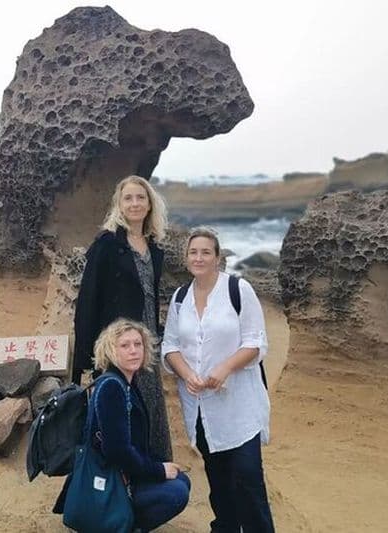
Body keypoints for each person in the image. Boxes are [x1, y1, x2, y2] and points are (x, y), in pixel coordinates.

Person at [162, 227, 275, 533]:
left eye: (205, 252)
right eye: (193, 252)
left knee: (248, 476)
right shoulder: (180, 297)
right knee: (219, 479)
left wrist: (225, 368)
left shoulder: (238, 290)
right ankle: (225, 527)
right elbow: (170, 346)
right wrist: (187, 374)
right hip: (201, 407)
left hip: (239, 404)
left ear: (217, 257)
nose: (199, 258)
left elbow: (256, 342)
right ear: (186, 258)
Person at [73, 175, 173, 461]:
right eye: (128, 198)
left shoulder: (154, 247)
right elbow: (88, 301)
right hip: (118, 341)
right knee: (122, 411)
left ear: (150, 204)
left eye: (141, 197)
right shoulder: (106, 244)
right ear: (119, 204)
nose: (135, 203)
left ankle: (155, 466)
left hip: (147, 340)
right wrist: (86, 358)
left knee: (150, 404)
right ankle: (126, 476)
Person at [57, 319, 190, 532]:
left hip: (123, 473)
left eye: (138, 344)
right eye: (125, 345)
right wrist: (158, 470)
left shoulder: (125, 383)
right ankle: (123, 526)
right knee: (176, 492)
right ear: (111, 351)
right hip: (109, 478)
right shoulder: (112, 387)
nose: (133, 350)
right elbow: (116, 451)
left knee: (182, 481)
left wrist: (159, 467)